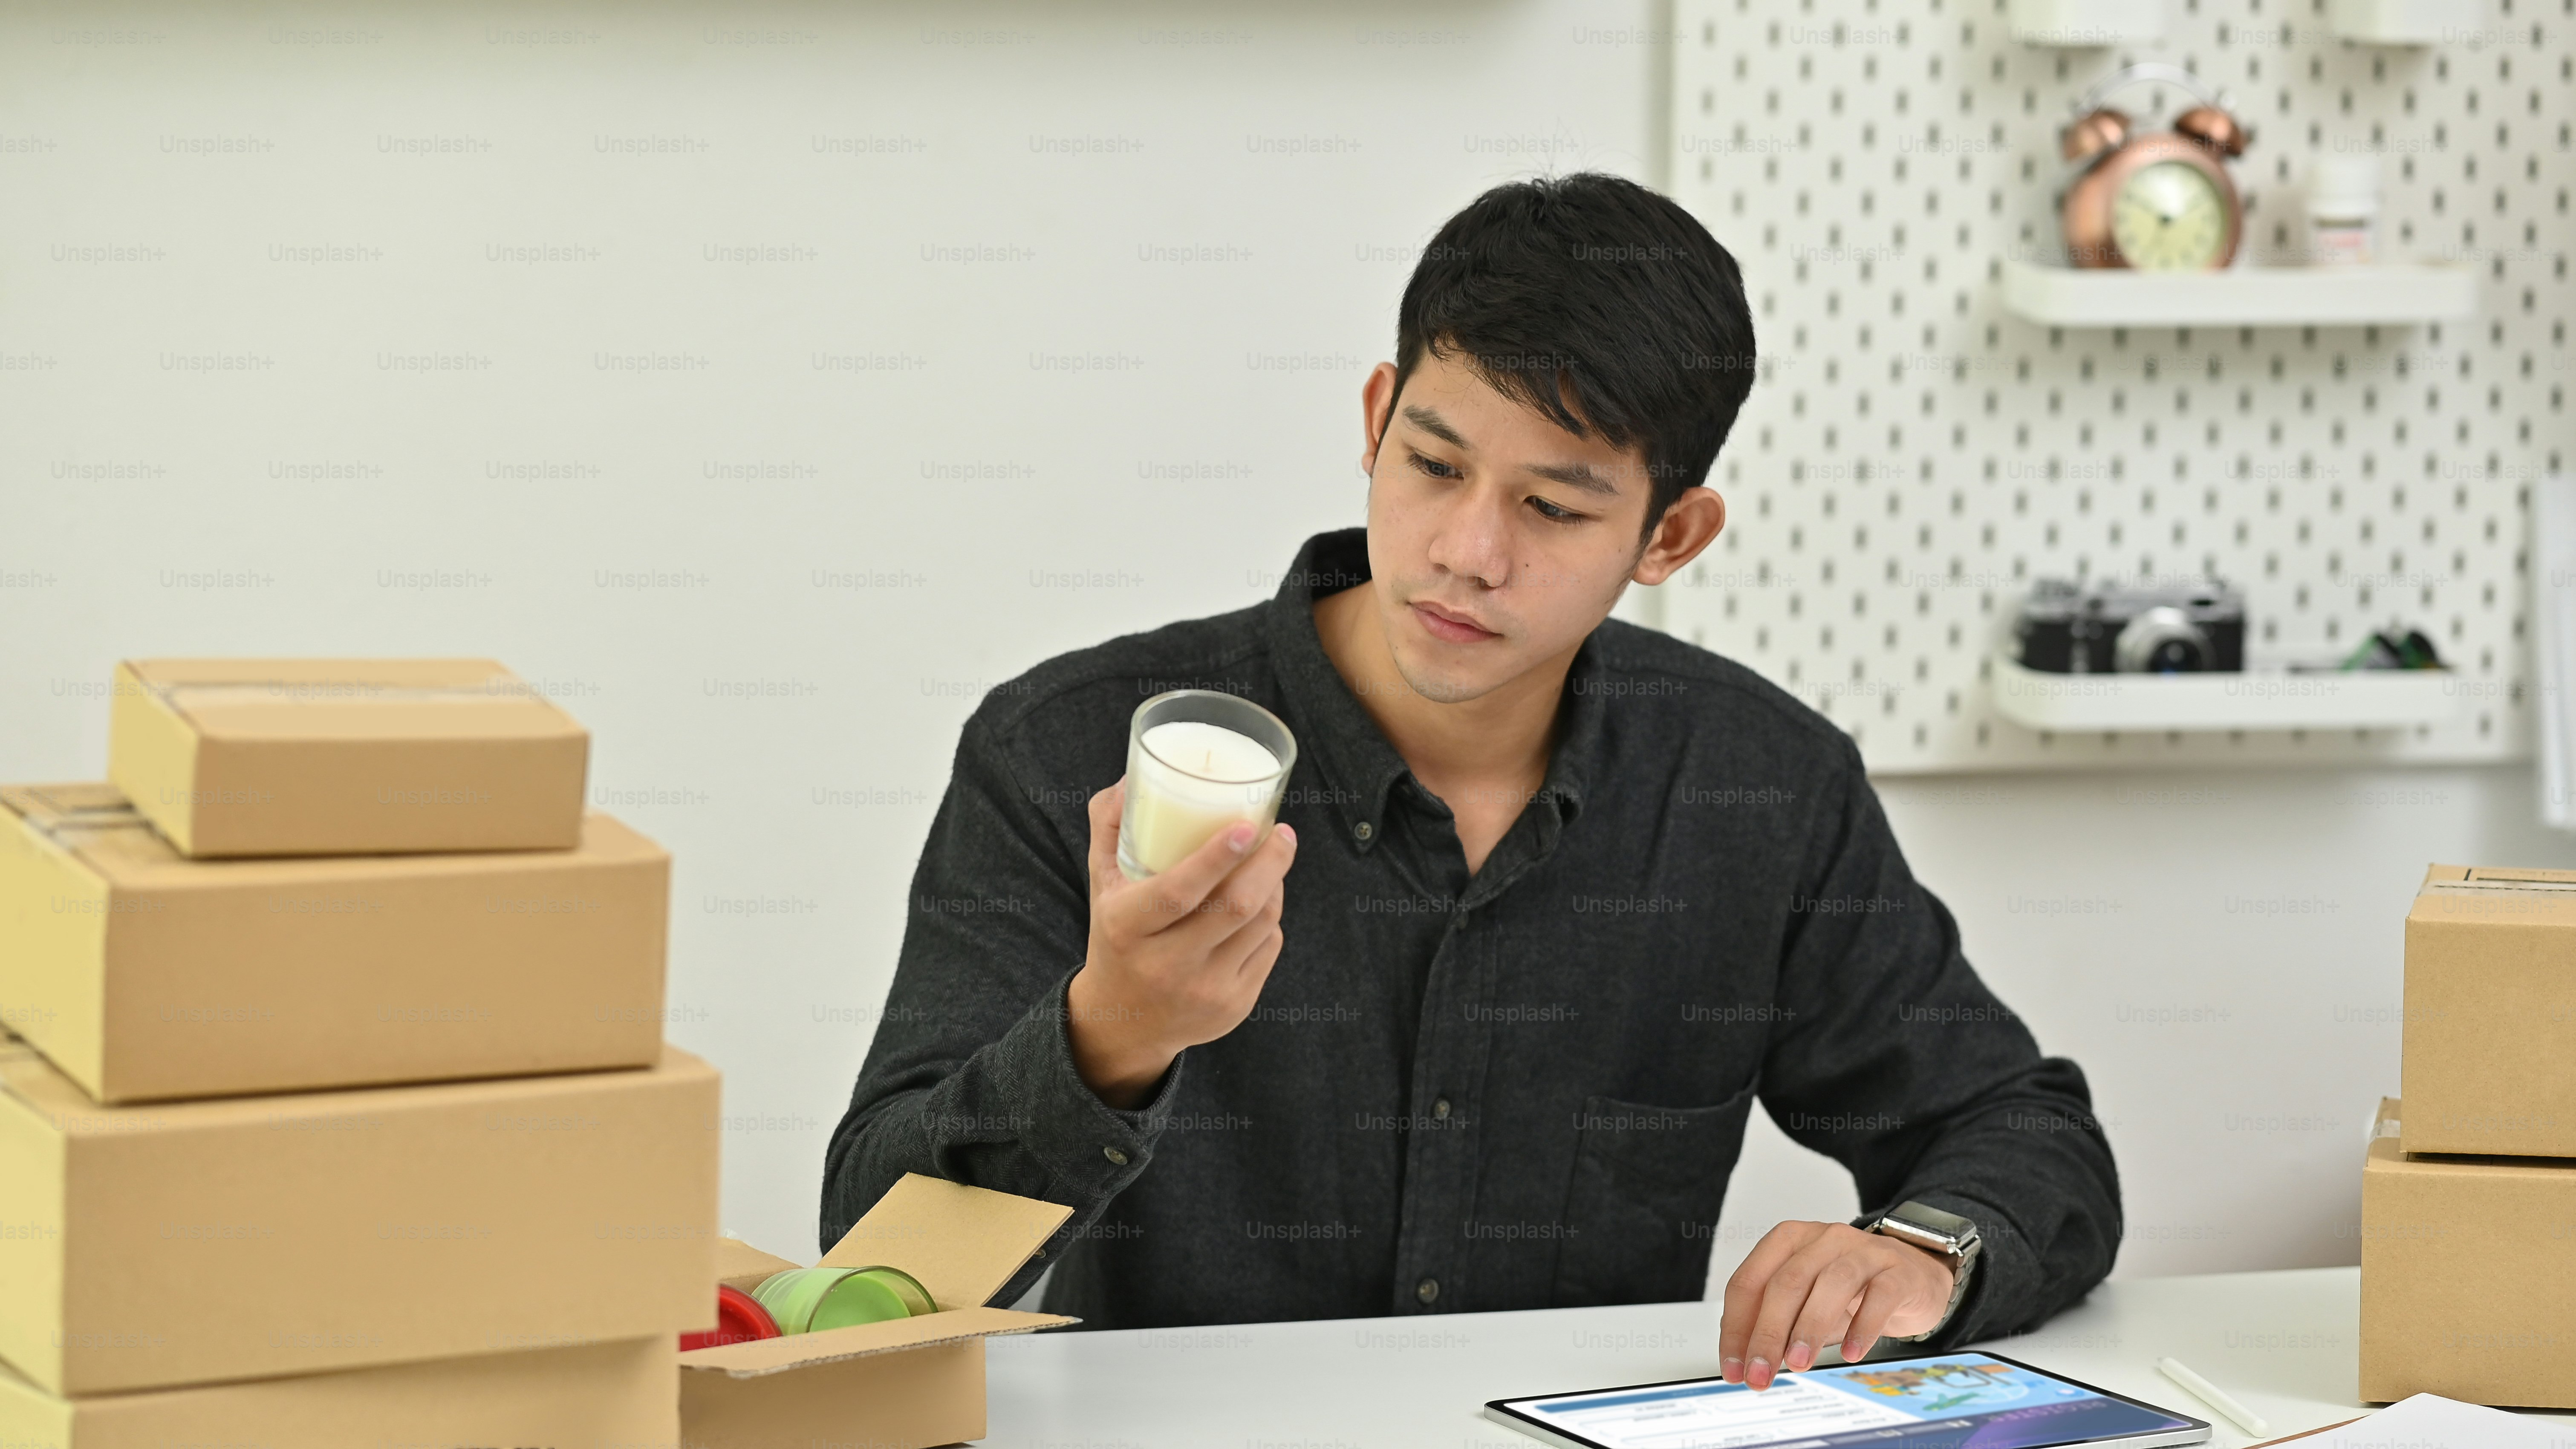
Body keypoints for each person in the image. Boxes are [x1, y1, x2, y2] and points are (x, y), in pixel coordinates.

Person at [823, 172, 2118, 1388]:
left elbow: (2022, 1131)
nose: (1466, 552)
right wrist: (1112, 1034)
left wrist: (1924, 1248)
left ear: (1668, 534)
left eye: (1553, 509)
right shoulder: (1068, 749)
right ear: (1376, 418)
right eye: (1434, 466)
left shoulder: (1755, 789)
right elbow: (874, 1266)